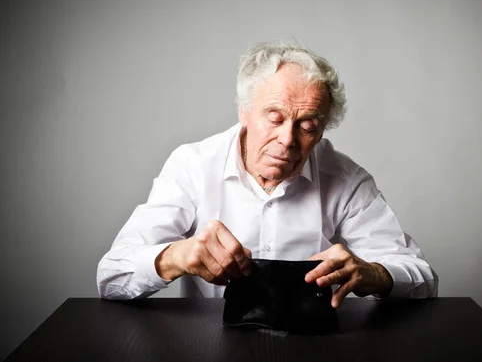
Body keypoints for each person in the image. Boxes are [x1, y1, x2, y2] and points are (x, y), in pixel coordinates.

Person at [97, 41, 438, 307]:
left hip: (315, 343)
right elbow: (112, 276)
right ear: (244, 111)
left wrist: (373, 274)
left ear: (322, 132)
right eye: (274, 119)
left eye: (308, 126)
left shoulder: (346, 179)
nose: (287, 140)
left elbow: (422, 277)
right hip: (209, 341)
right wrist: (177, 256)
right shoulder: (192, 165)